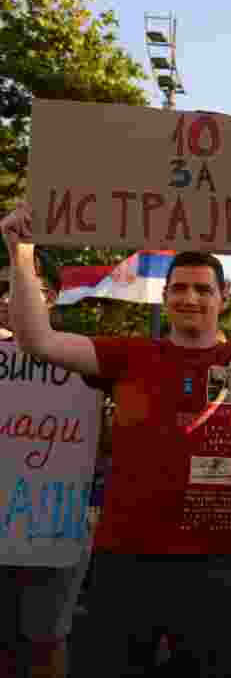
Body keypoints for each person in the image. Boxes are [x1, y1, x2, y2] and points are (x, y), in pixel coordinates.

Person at [1, 202, 231, 677]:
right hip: (126, 559)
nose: (191, 298)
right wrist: (21, 252)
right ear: (165, 296)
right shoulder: (126, 356)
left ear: (222, 297)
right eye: (180, 288)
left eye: (203, 289)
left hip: (215, 562)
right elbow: (38, 341)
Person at [0, 251, 101, 678]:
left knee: (46, 642)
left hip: (52, 529)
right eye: (1, 287)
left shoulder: (87, 359)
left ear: (53, 298)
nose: (8, 297)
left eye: (21, 286)